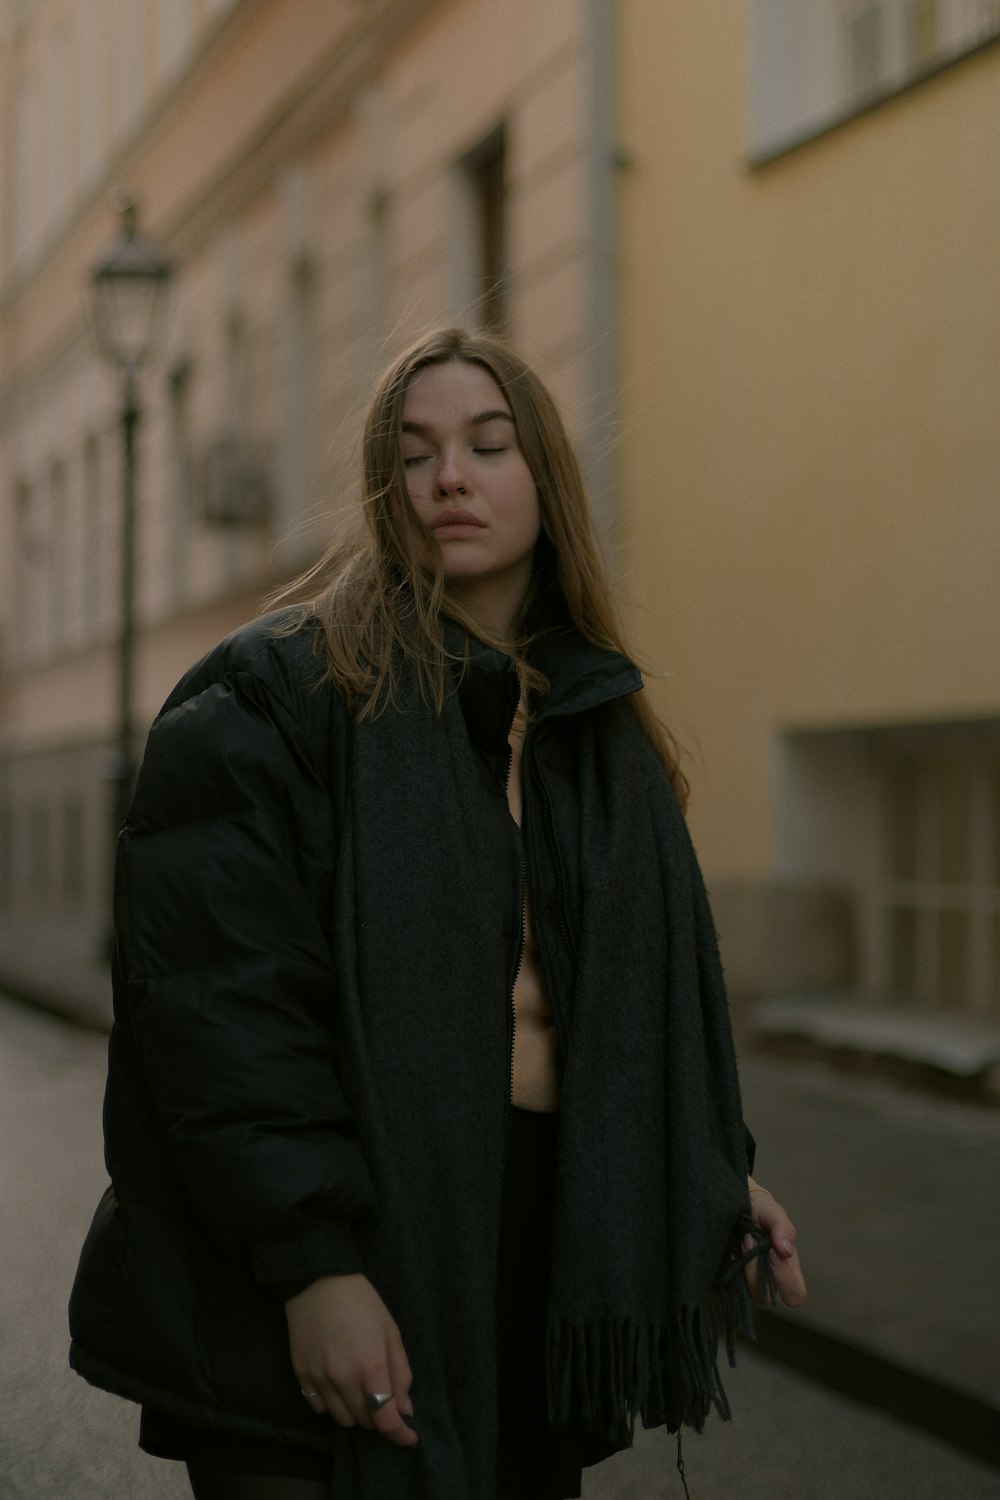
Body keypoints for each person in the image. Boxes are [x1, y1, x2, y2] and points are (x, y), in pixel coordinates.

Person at [69, 327, 806, 1500]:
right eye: (412, 455)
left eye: (486, 444)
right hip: (328, 1265)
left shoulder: (594, 734)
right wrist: (314, 1270)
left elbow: (613, 1010)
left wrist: (712, 1170)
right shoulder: (274, 696)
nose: (448, 477)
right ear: (383, 489)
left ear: (543, 480)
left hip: (524, 1263)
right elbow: (220, 1022)